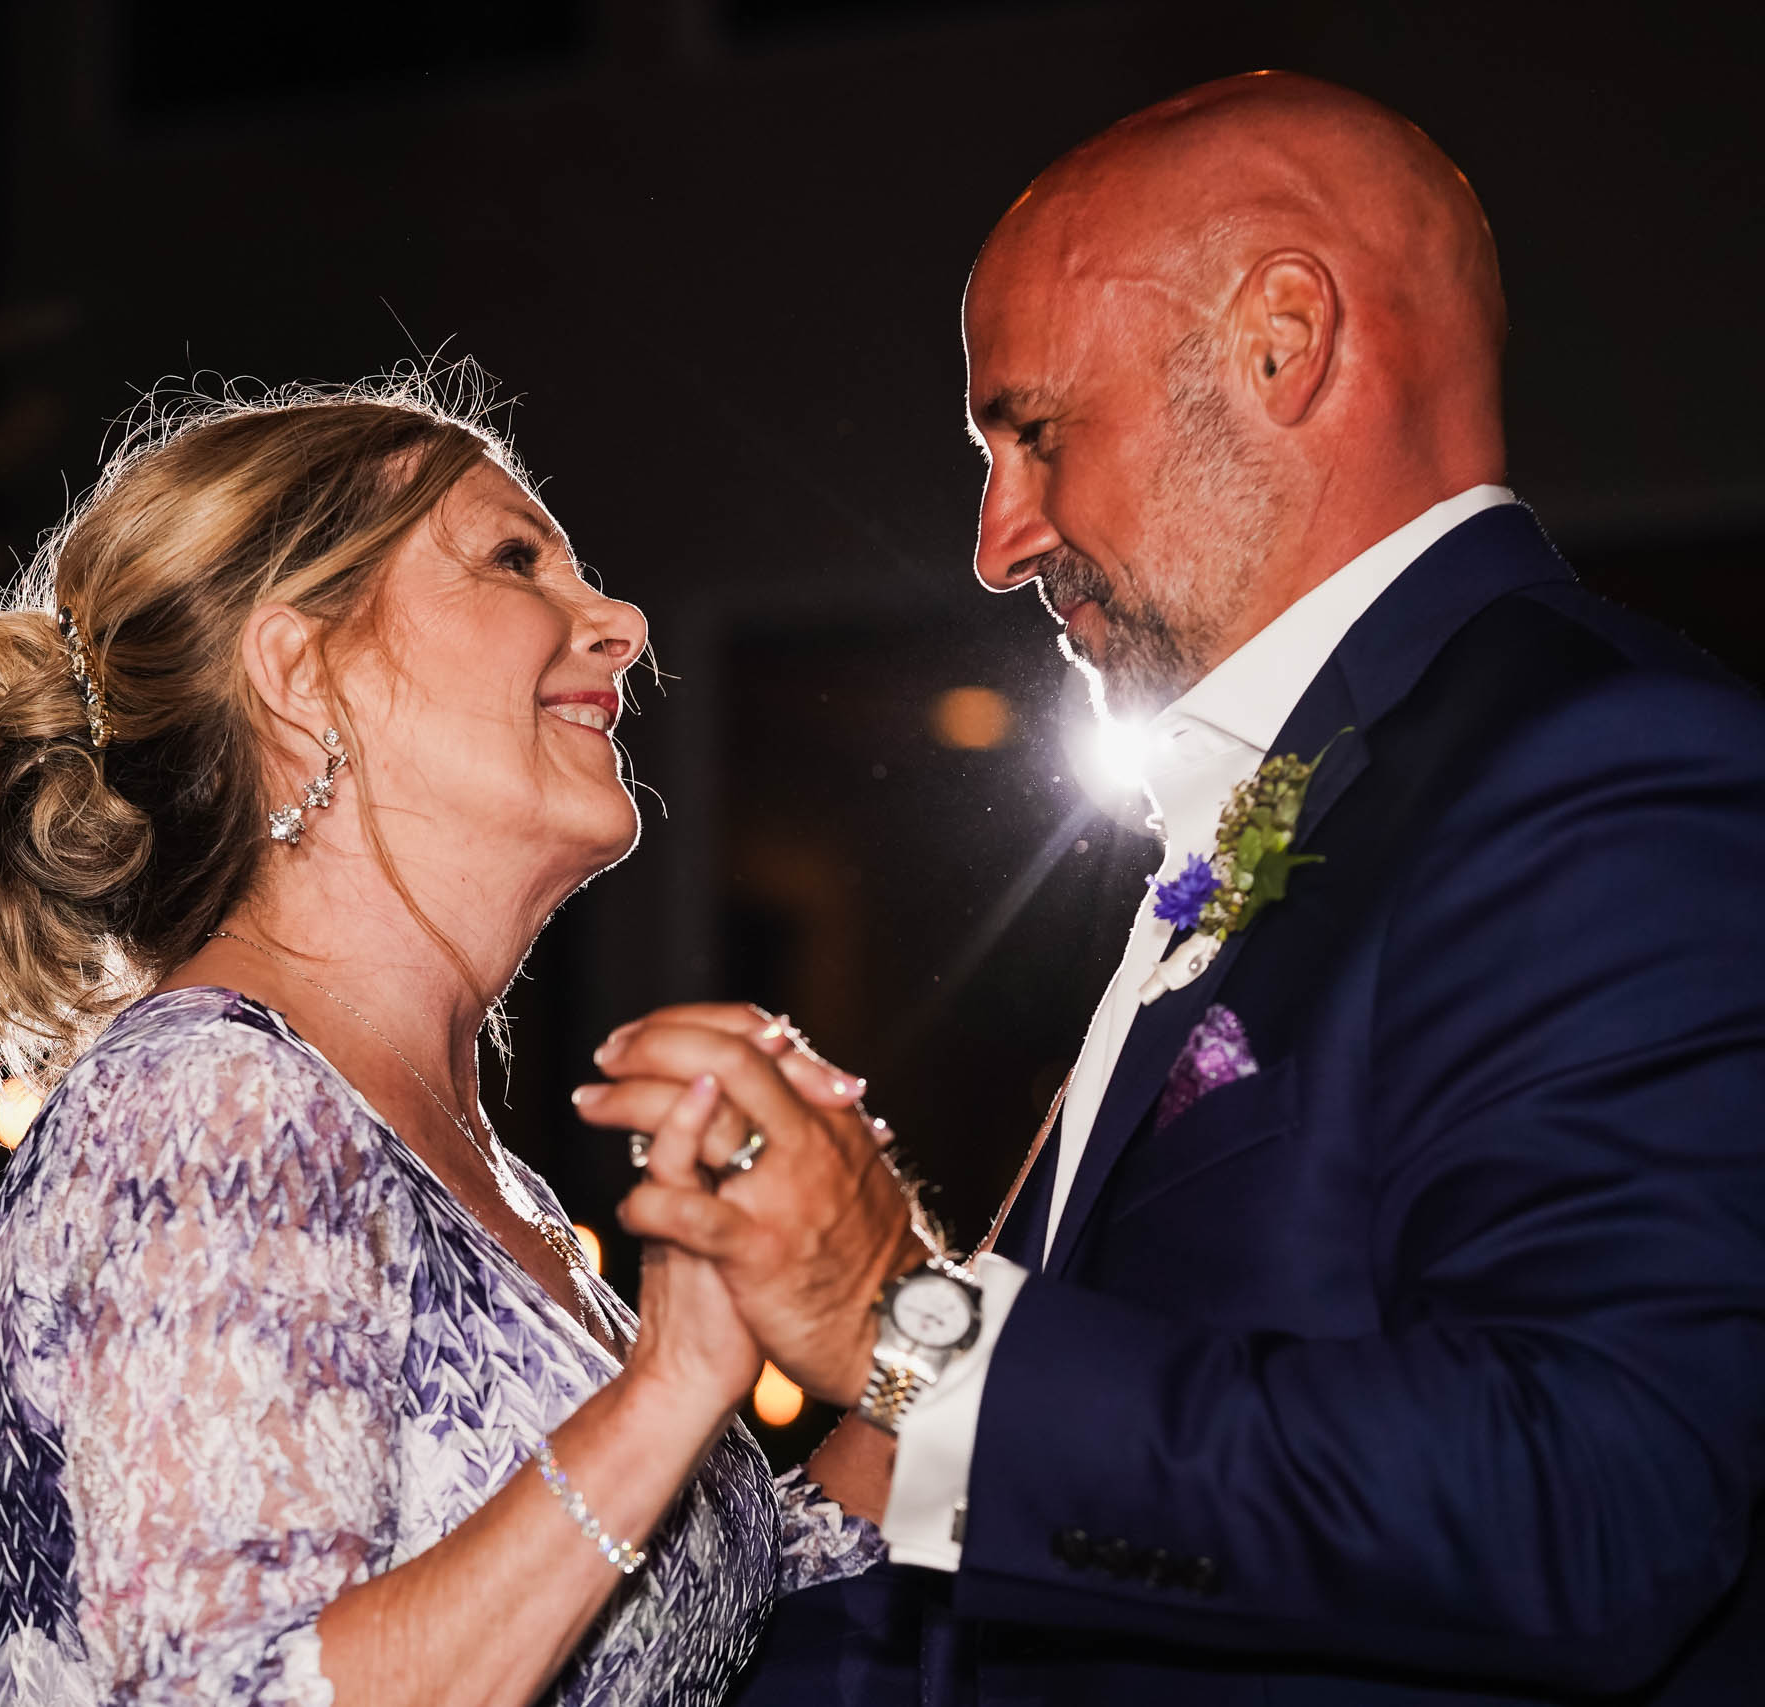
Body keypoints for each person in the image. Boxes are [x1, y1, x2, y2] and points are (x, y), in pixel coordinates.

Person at [577, 73, 1765, 1704]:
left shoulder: (1598, 763)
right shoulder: (1282, 807)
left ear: (1284, 343)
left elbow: (1597, 1500)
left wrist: (897, 1322)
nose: (998, 540)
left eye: (1034, 430)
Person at [0, 379, 884, 1707]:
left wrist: (990, 1206)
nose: (618, 625)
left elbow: (739, 1629)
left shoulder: (471, 1172)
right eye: (516, 559)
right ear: (301, 672)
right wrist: (672, 1388)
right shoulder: (205, 1111)